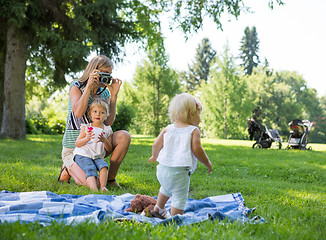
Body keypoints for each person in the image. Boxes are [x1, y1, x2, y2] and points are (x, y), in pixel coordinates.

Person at [58, 55, 131, 188]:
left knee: (124, 136)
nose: (107, 78)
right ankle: (67, 168)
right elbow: (79, 113)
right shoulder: (76, 86)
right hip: (76, 148)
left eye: (110, 74)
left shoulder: (105, 92)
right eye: (105, 73)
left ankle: (109, 179)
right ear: (93, 71)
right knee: (93, 184)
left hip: (96, 147)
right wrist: (89, 86)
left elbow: (108, 122)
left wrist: (113, 96)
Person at [149, 93, 212, 219]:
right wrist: (207, 163)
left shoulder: (168, 128)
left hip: (162, 170)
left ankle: (158, 208)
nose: (199, 118)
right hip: (179, 172)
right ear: (190, 114)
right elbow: (197, 150)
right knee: (179, 195)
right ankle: (175, 218)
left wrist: (154, 156)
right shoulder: (193, 131)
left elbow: (156, 144)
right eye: (198, 114)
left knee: (166, 188)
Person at [73, 98, 113, 192]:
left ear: (106, 115)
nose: (98, 114)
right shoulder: (87, 128)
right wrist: (87, 138)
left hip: (97, 156)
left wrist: (104, 140)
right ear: (90, 114)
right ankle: (94, 189)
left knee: (104, 166)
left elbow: (109, 148)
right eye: (95, 111)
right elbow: (77, 144)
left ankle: (103, 187)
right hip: (83, 154)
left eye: (102, 112)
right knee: (90, 168)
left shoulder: (108, 130)